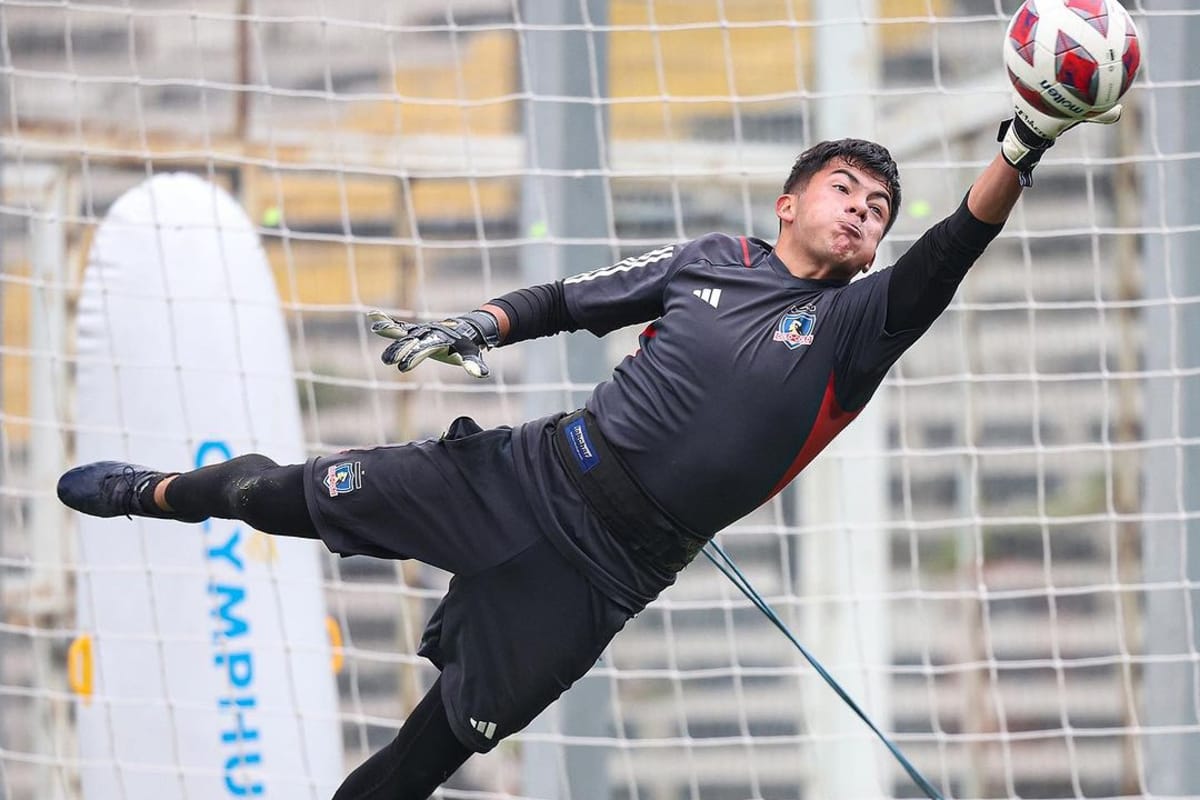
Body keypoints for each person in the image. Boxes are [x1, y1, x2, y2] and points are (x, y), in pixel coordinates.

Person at [57, 83, 1120, 798]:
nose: (865, 212)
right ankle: (152, 489)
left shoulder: (856, 329)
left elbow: (953, 249)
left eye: (880, 207)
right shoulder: (711, 259)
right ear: (790, 200)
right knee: (276, 492)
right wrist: (478, 323)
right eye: (847, 188)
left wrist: (1023, 145)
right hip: (525, 474)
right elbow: (573, 298)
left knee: (430, 752)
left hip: (602, 575)